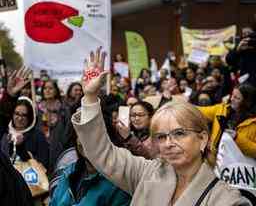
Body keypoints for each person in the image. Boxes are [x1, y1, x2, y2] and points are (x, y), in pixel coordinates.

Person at [72, 47, 251, 206]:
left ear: (203, 138)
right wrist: (89, 97)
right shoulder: (146, 173)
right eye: (161, 136)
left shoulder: (226, 200)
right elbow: (101, 153)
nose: (168, 143)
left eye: (179, 133)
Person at [50, 114, 131, 206]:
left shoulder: (118, 181)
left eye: (93, 134)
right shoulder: (68, 172)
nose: (86, 141)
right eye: (81, 134)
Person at [198, 83, 256, 159]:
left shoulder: (253, 122)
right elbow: (199, 111)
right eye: (232, 95)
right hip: (215, 161)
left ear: (247, 102)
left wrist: (236, 138)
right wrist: (180, 104)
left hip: (238, 167)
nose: (232, 99)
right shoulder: (222, 109)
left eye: (237, 98)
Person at [1, 96, 49, 169]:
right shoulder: (4, 132)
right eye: (17, 114)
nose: (20, 118)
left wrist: (21, 147)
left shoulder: (38, 136)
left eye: (24, 115)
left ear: (30, 117)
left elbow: (43, 164)